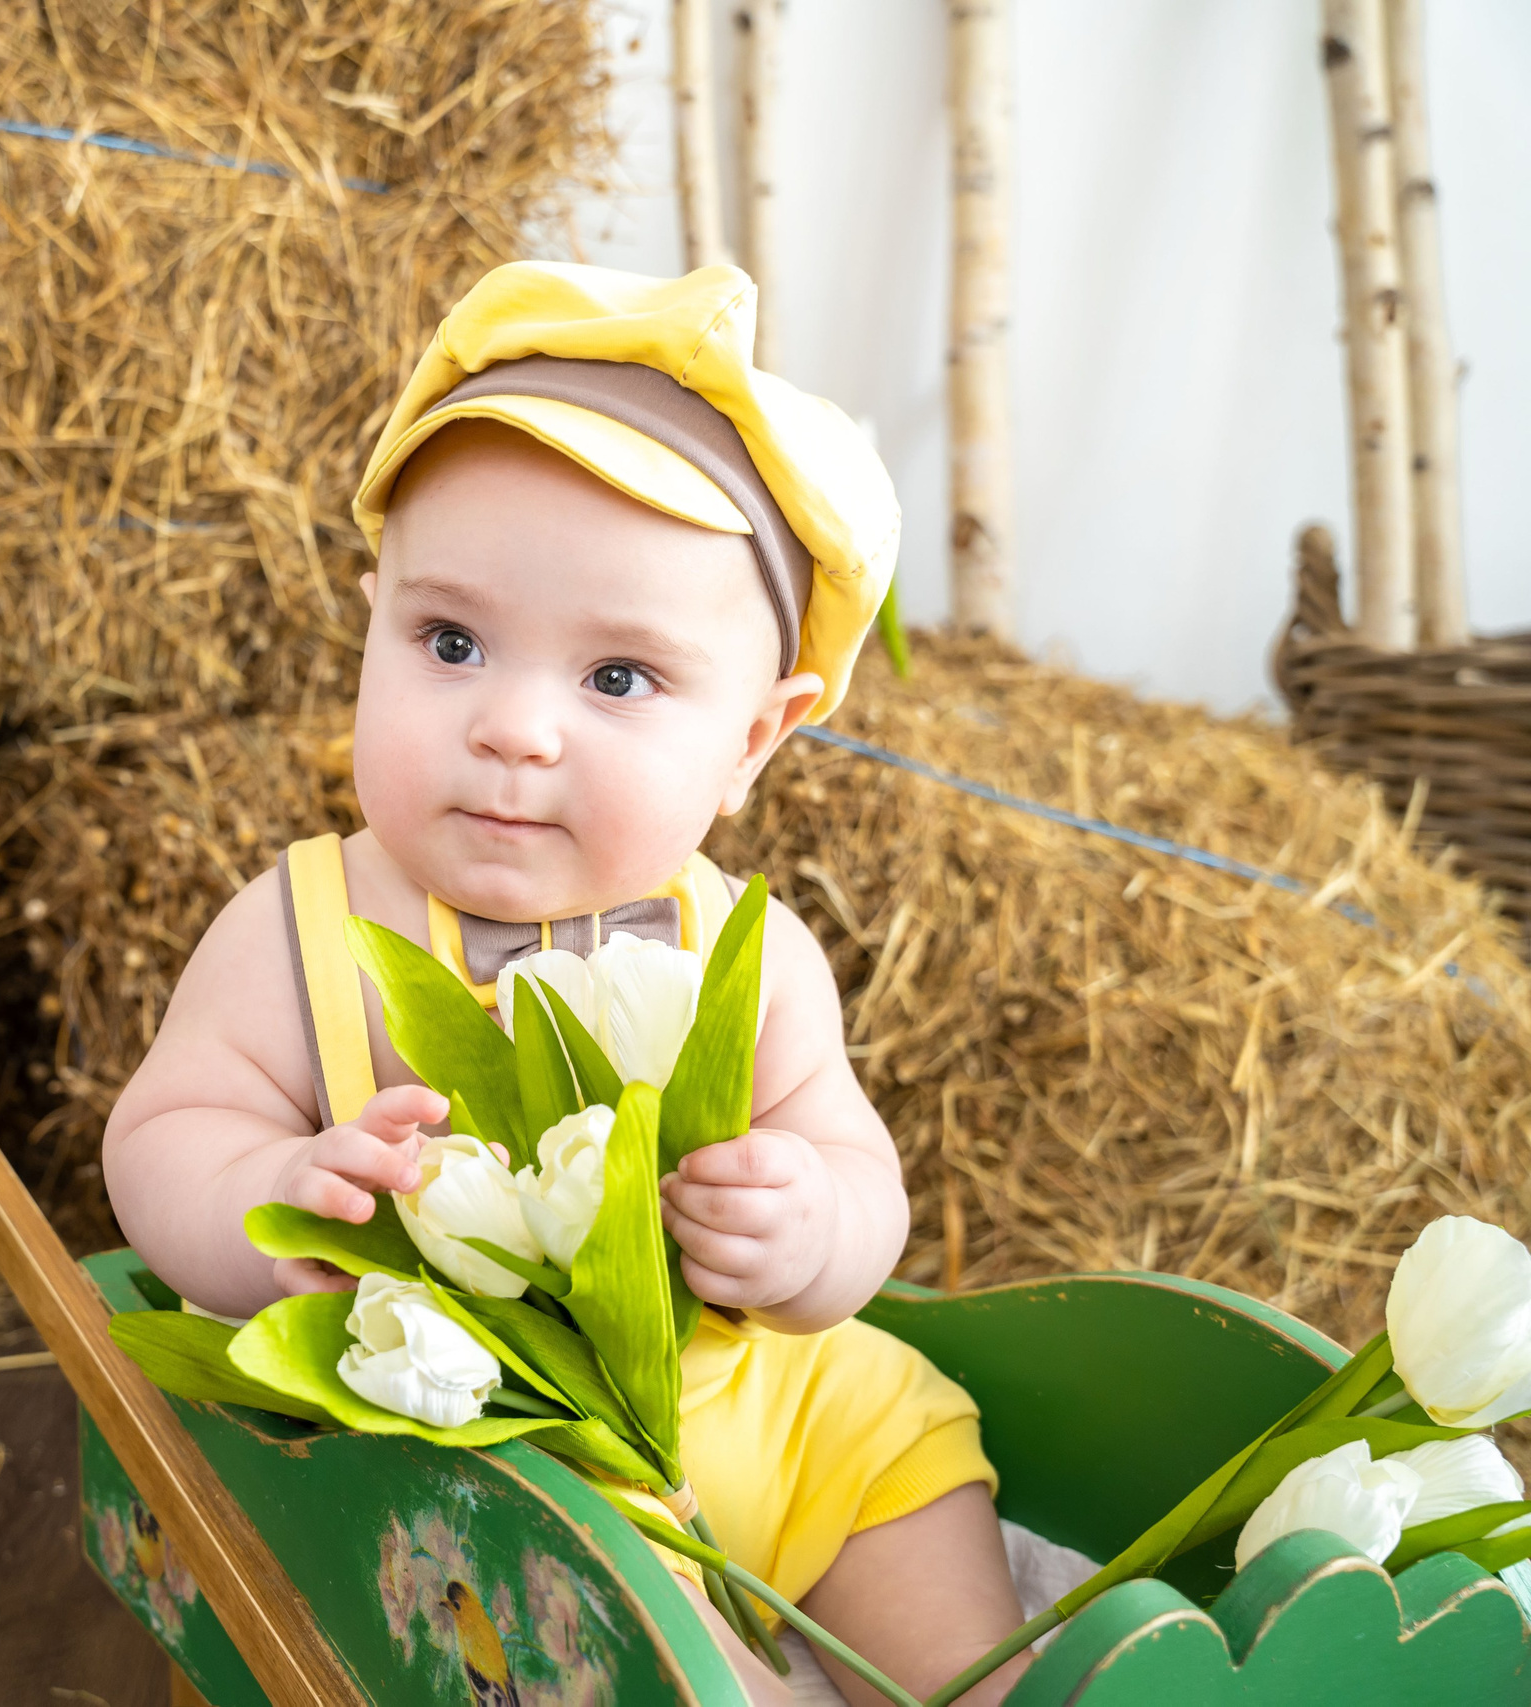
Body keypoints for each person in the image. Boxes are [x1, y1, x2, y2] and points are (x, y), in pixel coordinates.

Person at [101, 261, 1029, 1706]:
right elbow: (160, 1133)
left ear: (752, 744)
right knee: (628, 1642)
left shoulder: (746, 951)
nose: (515, 729)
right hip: (500, 1465)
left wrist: (807, 1225)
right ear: (373, 626)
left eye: (617, 680)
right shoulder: (302, 930)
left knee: (924, 1538)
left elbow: (858, 1172)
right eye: (451, 643)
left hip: (784, 1423)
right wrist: (274, 1199)